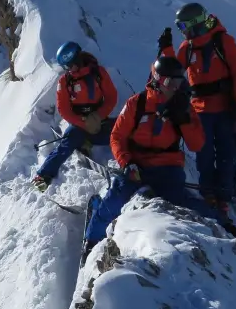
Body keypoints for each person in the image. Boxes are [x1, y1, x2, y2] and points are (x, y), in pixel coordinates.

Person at [82, 56, 207, 262]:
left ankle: (219, 224)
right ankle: (92, 241)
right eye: (170, 83)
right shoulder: (137, 104)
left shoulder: (183, 107)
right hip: (136, 165)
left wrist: (184, 119)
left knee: (180, 204)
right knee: (114, 201)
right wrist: (126, 161)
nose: (175, 88)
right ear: (158, 80)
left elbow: (197, 144)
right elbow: (117, 136)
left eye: (178, 82)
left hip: (168, 166)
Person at [158, 3, 236, 213]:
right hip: (200, 111)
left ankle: (223, 195)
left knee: (226, 152)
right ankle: (209, 193)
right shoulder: (187, 47)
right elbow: (174, 72)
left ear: (194, 23)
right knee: (204, 153)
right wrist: (166, 50)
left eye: (183, 26)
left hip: (225, 108)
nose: (182, 31)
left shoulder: (223, 42)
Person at [33, 41, 119, 192]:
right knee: (66, 144)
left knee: (121, 131)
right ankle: (43, 175)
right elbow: (64, 108)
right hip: (80, 125)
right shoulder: (65, 82)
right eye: (66, 67)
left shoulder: (99, 73)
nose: (68, 70)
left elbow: (111, 96)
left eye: (70, 65)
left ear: (78, 60)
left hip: (100, 121)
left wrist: (98, 116)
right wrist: (83, 122)